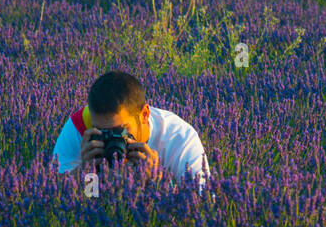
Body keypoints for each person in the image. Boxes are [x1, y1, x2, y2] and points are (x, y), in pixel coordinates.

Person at [51, 71, 209, 187]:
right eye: (103, 131)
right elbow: (60, 207)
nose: (113, 140)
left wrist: (157, 182)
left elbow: (204, 205)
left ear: (145, 114)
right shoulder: (81, 126)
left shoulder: (179, 138)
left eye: (121, 130)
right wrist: (86, 175)